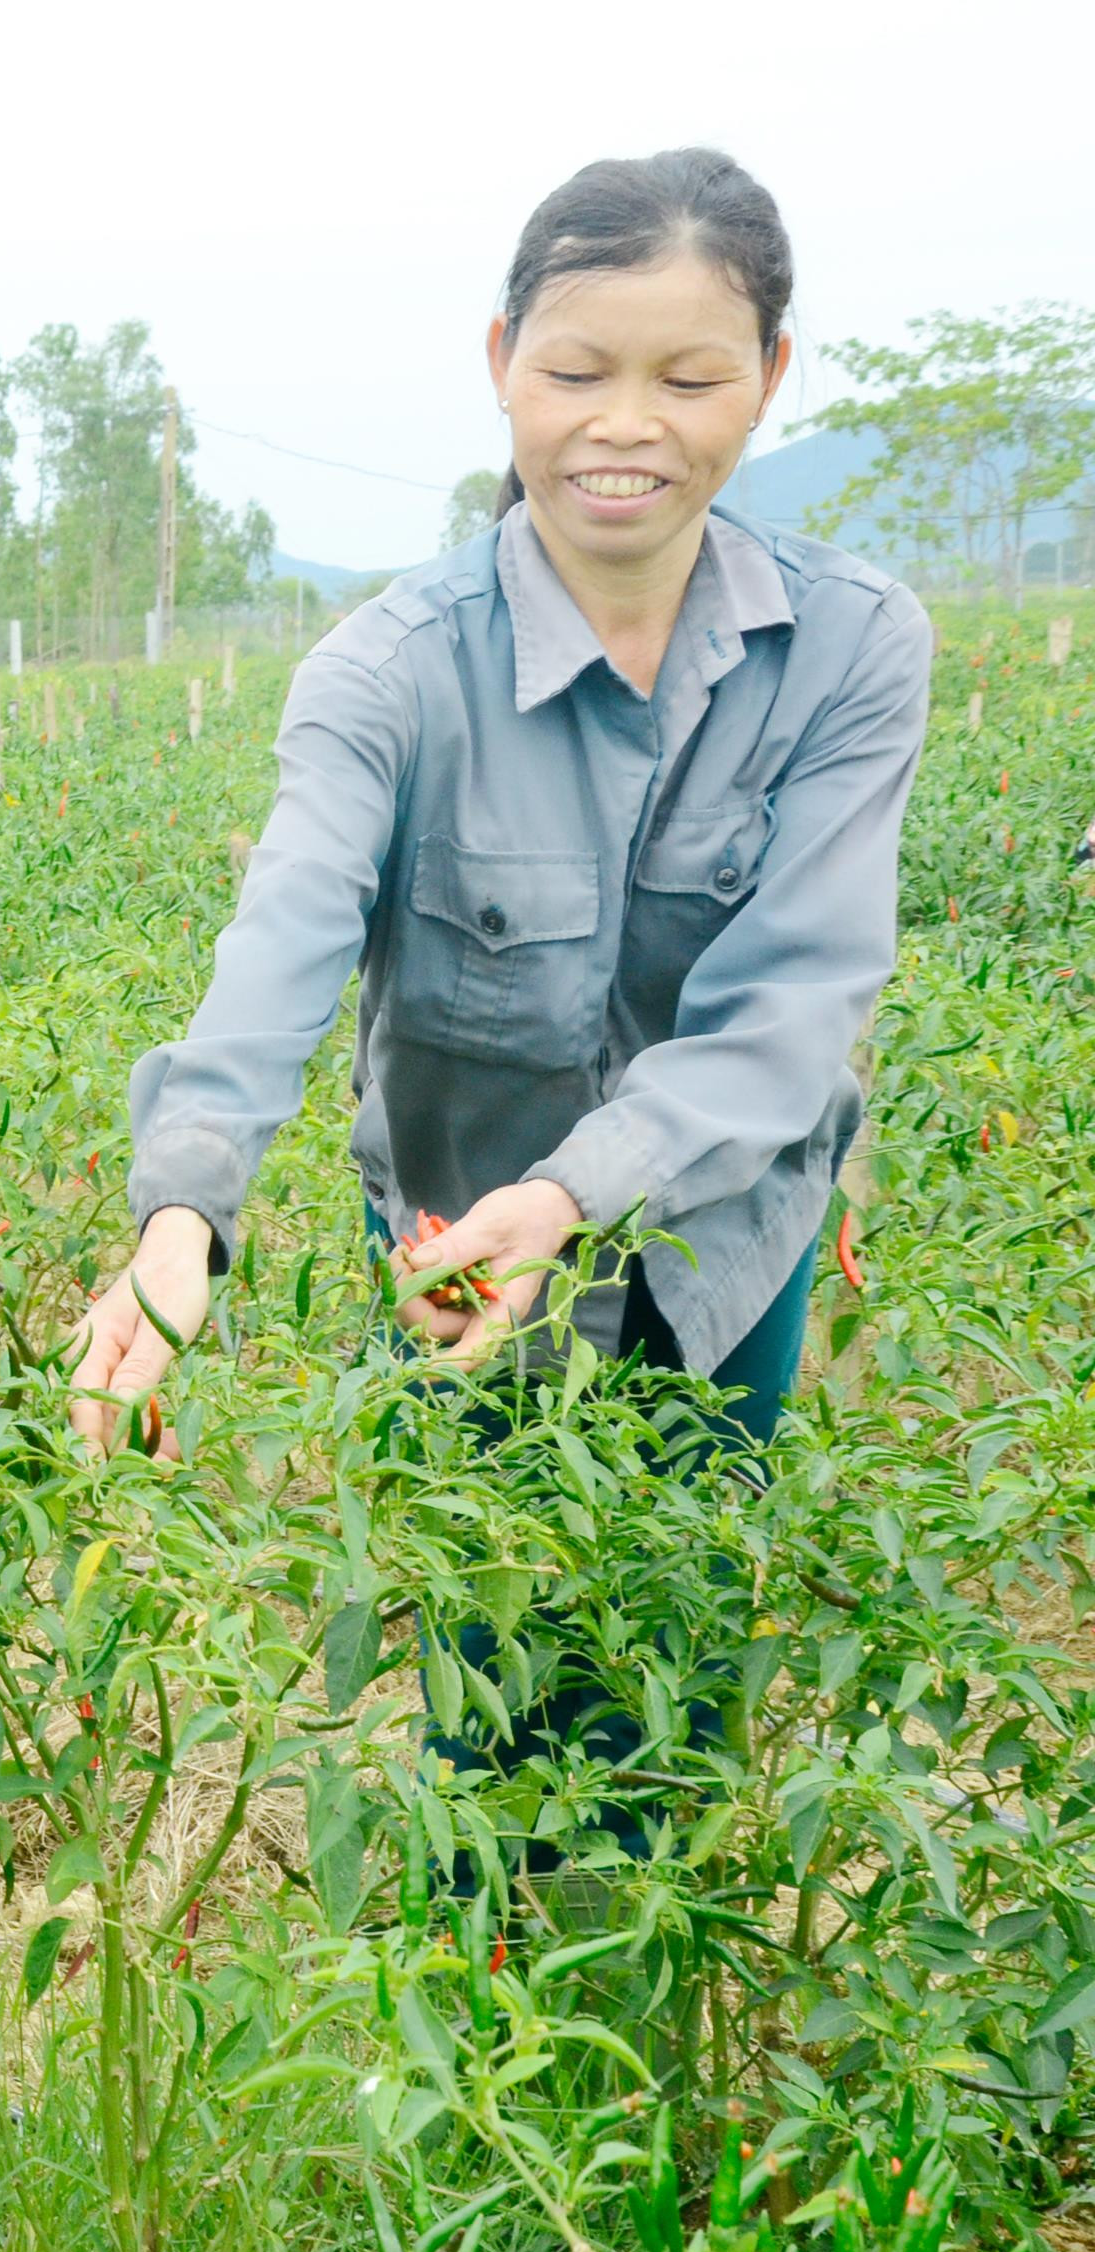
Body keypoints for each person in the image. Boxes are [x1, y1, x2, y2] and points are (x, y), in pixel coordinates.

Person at [68, 150, 929, 1786]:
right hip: (458, 1250)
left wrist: (583, 1192)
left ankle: (619, 1978)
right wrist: (185, 1214)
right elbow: (283, 947)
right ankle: (486, 1970)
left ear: (770, 381)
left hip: (725, 1232)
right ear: (498, 368)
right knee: (487, 1662)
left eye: (691, 376)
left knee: (666, 1670)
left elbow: (793, 1008)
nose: (628, 424)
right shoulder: (390, 672)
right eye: (577, 369)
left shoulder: (851, 644)